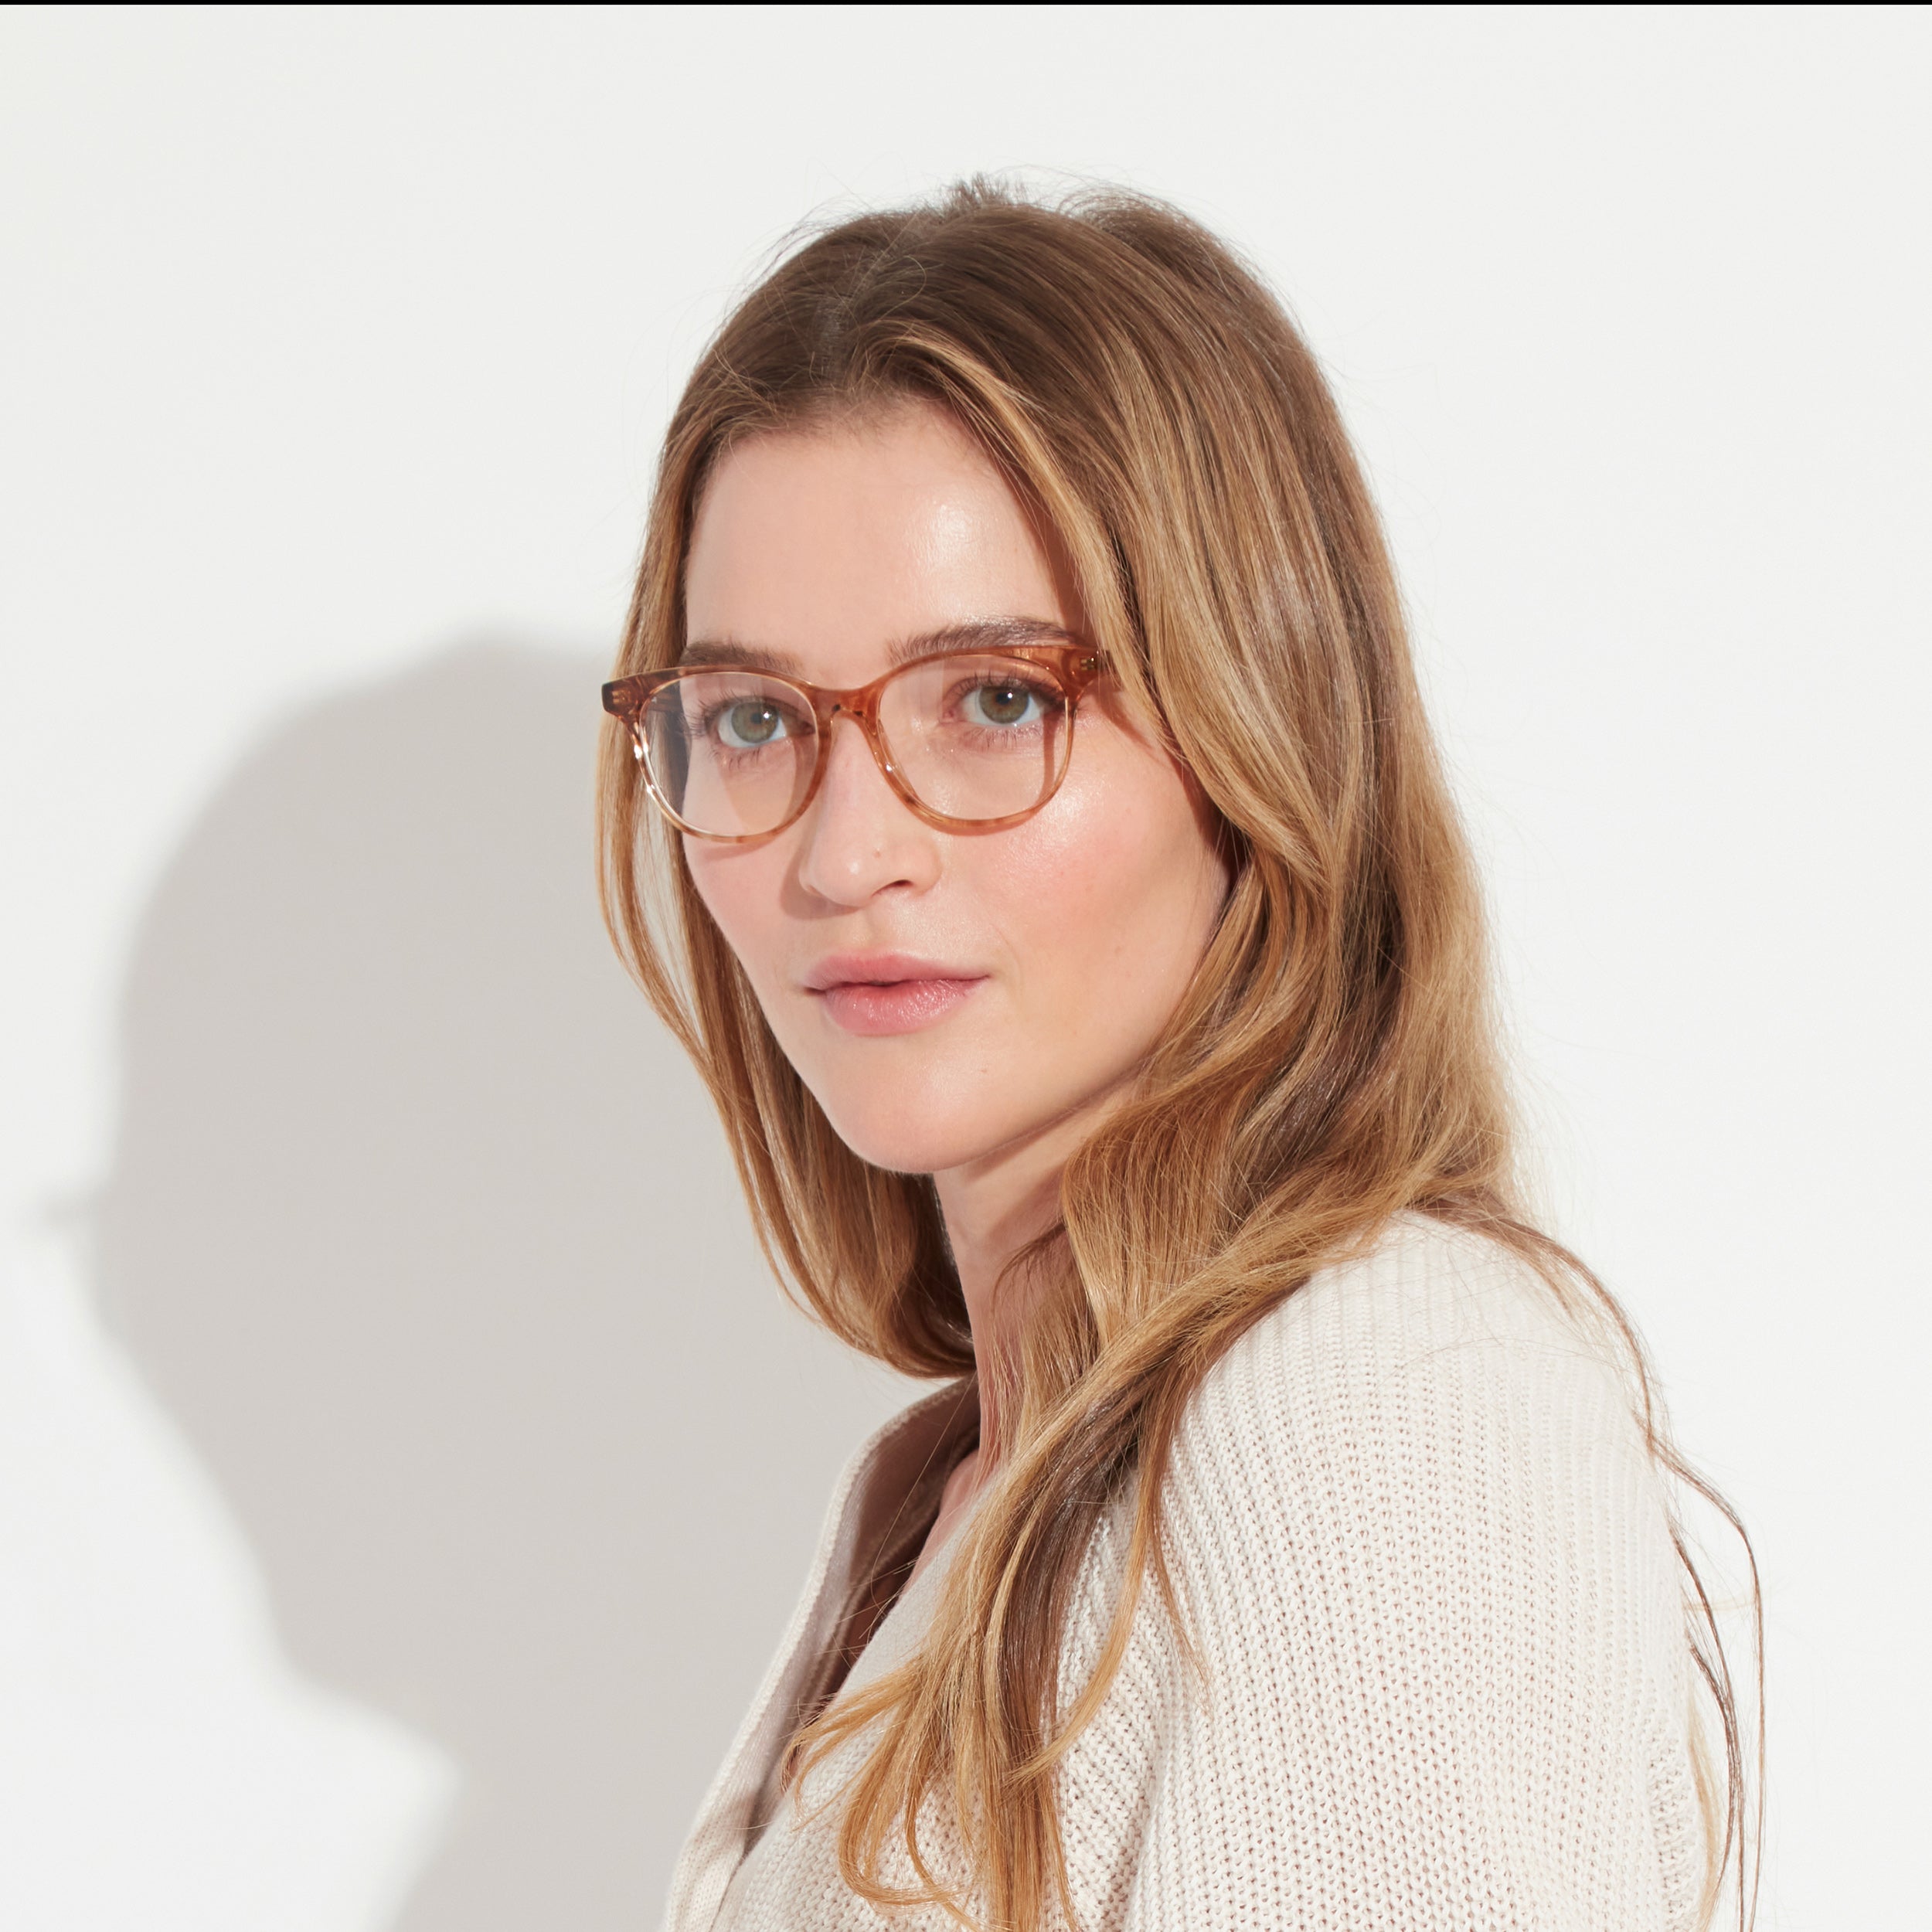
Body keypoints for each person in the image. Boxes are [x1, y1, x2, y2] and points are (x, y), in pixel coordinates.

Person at [597, 180, 1757, 1932]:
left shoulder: (1369, 1392)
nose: (843, 855)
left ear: (1253, 731)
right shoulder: (958, 1494)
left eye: (996, 698)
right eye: (756, 718)